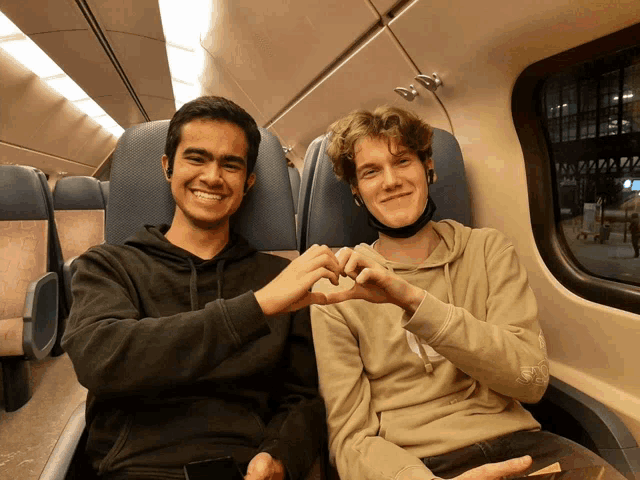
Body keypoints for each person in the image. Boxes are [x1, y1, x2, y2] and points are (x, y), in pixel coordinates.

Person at [309, 106, 628, 480]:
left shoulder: (489, 251)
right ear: (356, 191)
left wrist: (414, 302)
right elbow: (351, 439)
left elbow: (530, 381)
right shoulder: (338, 288)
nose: (391, 180)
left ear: (429, 167)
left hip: (520, 446)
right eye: (371, 171)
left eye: (403, 161)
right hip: (415, 463)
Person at [62, 96, 342, 480]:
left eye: (231, 164)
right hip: (135, 470)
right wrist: (256, 308)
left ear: (248, 182)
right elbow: (102, 359)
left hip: (243, 470)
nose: (212, 177)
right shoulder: (108, 266)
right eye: (196, 158)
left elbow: (302, 398)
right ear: (168, 167)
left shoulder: (281, 277)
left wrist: (278, 456)